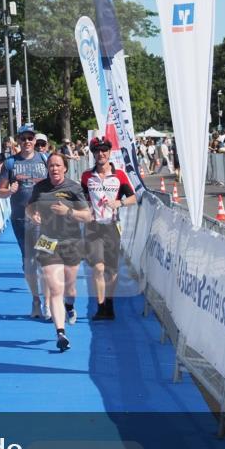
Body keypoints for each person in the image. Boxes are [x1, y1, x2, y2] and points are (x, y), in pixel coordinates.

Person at [26, 153, 94, 352]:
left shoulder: (73, 188)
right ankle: (61, 333)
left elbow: (88, 216)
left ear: (65, 168)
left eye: (57, 165)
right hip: (48, 241)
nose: (54, 169)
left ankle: (70, 306)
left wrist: (69, 212)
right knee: (55, 289)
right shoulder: (40, 187)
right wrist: (33, 215)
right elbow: (29, 207)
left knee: (69, 289)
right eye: (51, 165)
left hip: (71, 242)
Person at [81, 137, 137, 321]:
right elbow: (82, 199)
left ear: (109, 152)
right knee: (98, 268)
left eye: (104, 150)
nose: (101, 153)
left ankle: (110, 304)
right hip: (93, 227)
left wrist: (119, 202)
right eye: (97, 151)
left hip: (112, 227)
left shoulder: (119, 175)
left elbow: (134, 198)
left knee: (111, 271)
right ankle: (101, 306)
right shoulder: (87, 176)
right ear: (93, 154)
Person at [0, 123, 50, 317]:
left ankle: (48, 302)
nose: (27, 141)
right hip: (21, 221)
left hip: (45, 220)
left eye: (30, 138)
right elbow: (0, 192)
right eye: (23, 138)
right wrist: (8, 190)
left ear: (35, 141)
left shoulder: (45, 159)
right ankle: (36, 299)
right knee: (29, 262)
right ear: (18, 141)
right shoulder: (10, 163)